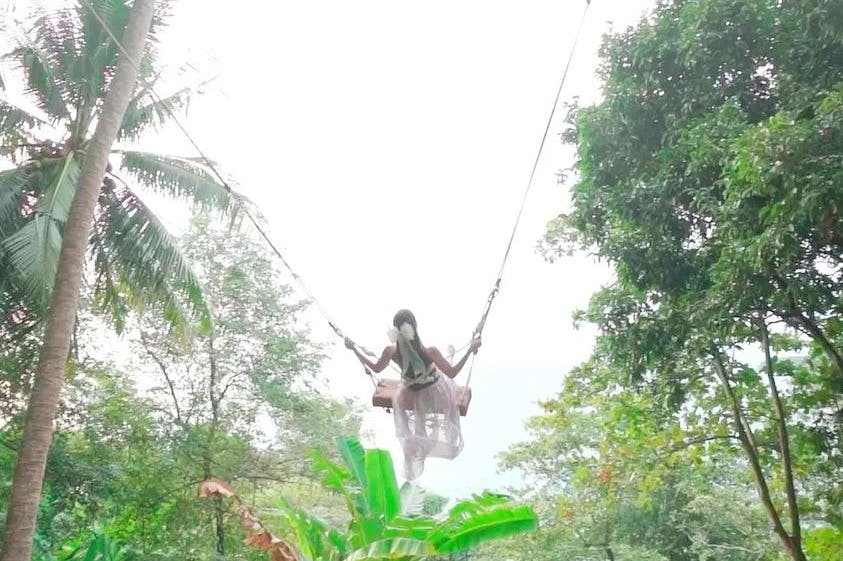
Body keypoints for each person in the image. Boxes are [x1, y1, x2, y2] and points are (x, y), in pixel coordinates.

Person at [345, 309, 481, 479]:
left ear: (395, 329)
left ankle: (415, 453)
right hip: (434, 391)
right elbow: (452, 373)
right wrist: (470, 350)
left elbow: (376, 368)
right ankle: (421, 448)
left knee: (417, 418)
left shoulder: (391, 351)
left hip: (409, 392)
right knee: (433, 399)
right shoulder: (430, 352)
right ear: (415, 327)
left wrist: (354, 350)